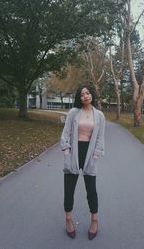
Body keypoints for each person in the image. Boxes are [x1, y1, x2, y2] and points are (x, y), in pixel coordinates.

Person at [60, 84, 105, 240]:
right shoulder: (73, 112)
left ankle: (94, 220)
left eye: (88, 93)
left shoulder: (99, 115)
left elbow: (100, 137)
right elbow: (66, 132)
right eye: (82, 94)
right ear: (79, 98)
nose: (85, 96)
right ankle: (68, 219)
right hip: (73, 152)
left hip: (89, 154)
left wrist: (95, 156)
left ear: (92, 95)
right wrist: (66, 152)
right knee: (69, 189)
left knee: (91, 190)